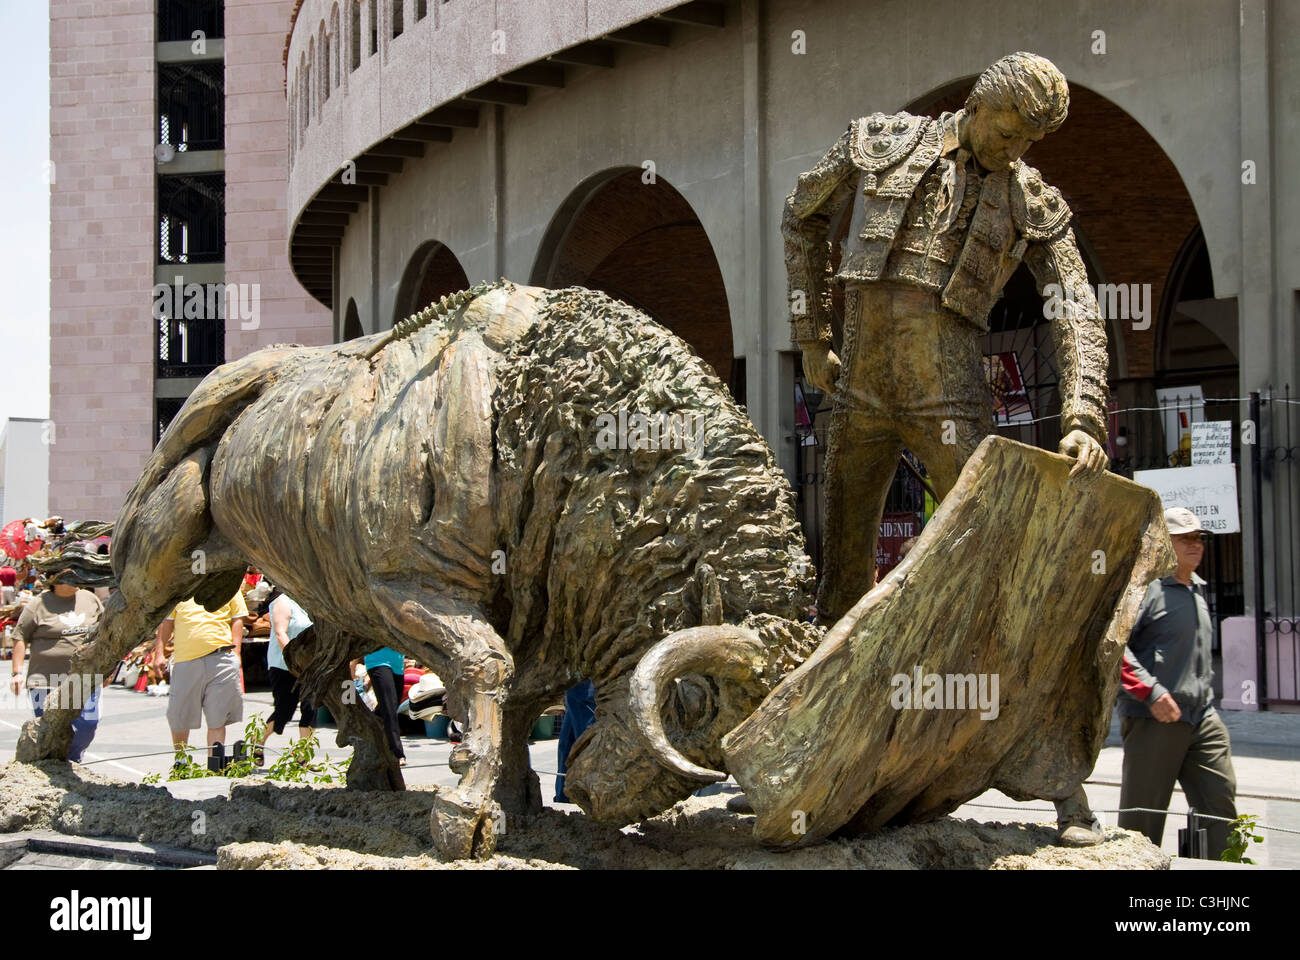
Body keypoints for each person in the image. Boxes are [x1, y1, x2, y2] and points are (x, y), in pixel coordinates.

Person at [783, 50, 1111, 846]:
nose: (1017, 148)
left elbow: (1074, 305)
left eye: (1034, 138)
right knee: (838, 582)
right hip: (858, 391)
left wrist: (1084, 413)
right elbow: (802, 213)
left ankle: (1059, 780)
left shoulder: (1033, 200)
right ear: (979, 103)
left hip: (952, 402)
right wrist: (810, 333)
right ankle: (806, 767)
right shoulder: (878, 139)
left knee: (1002, 572)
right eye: (1012, 128)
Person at [1118, 507, 1238, 858]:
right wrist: (1150, 691)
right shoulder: (1146, 588)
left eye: (1198, 538)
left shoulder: (1197, 589)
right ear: (1164, 543)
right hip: (1154, 718)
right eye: (1185, 538)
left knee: (1220, 804)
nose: (1195, 545)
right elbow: (1112, 645)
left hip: (1202, 716)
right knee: (1143, 818)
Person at [7, 568, 105, 761]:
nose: (75, 580)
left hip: (85, 676)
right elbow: (20, 637)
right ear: (53, 579)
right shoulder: (38, 604)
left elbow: (106, 631)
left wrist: (109, 667)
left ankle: (71, 759)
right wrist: (16, 673)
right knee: (50, 729)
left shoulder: (90, 599)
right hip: (44, 679)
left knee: (88, 723)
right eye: (68, 576)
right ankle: (53, 766)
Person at [154, 590, 248, 758]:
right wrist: (159, 654)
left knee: (218, 717)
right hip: (186, 660)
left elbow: (238, 618)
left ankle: (215, 764)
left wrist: (237, 653)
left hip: (222, 657)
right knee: (179, 716)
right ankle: (181, 761)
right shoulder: (182, 586)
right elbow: (167, 622)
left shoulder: (228, 584)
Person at [258, 588, 315, 755]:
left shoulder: (308, 601)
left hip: (308, 666)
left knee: (310, 708)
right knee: (284, 711)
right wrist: (294, 661)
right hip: (284, 665)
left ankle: (302, 755)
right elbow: (280, 633)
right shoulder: (283, 601)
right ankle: (258, 741)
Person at [358, 646, 407, 767]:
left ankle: (367, 726)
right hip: (377, 660)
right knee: (389, 708)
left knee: (389, 707)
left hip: (397, 661)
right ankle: (397, 752)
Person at [554, 680, 596, 803]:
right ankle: (564, 796)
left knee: (585, 744)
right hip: (575, 687)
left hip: (584, 686)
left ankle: (592, 796)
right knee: (566, 746)